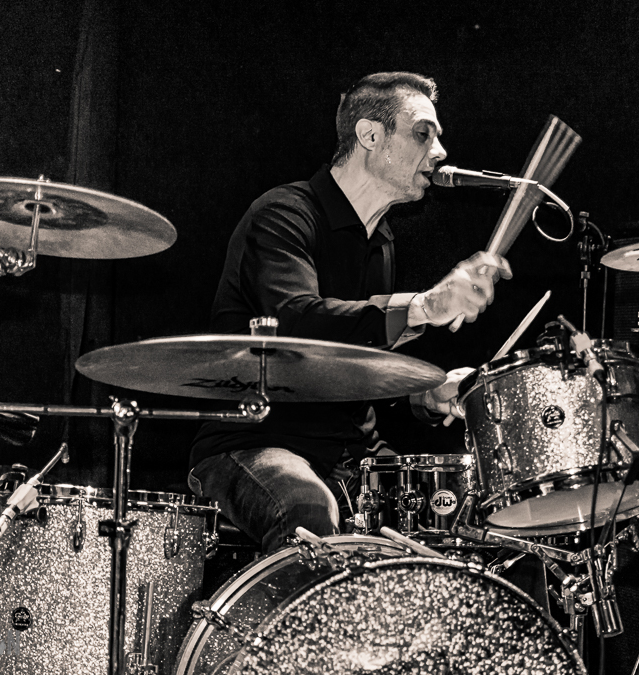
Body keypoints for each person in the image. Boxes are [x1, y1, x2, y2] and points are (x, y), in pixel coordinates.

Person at [188, 72, 511, 553]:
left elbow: (354, 368)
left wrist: (427, 392)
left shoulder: (381, 243)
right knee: (307, 508)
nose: (440, 151)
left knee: (459, 515)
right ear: (370, 136)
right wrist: (424, 306)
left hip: (348, 453)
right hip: (254, 441)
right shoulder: (283, 214)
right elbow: (299, 324)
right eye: (423, 134)